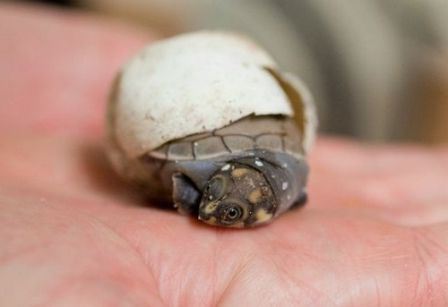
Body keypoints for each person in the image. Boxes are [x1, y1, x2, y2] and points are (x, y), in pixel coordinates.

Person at [1, 3, 447, 306]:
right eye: (219, 200)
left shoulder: (287, 173)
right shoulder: (288, 172)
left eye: (230, 212)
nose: (210, 210)